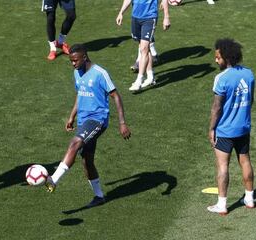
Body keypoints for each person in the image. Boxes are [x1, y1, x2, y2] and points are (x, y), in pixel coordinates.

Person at [45, 44, 131, 208]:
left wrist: (122, 123)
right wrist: (71, 116)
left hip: (98, 119)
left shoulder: (100, 73)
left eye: (75, 60)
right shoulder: (77, 73)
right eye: (71, 61)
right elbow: (80, 94)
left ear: (85, 57)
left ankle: (53, 180)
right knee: (87, 161)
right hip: (83, 120)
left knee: (74, 144)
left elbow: (116, 96)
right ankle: (99, 196)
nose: (73, 64)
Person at [207, 38, 255, 215]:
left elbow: (217, 107)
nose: (216, 60)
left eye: (218, 57)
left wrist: (212, 128)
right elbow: (251, 101)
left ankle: (222, 204)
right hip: (243, 128)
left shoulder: (221, 78)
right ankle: (249, 199)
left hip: (225, 130)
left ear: (226, 57)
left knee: (222, 166)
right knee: (245, 161)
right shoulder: (249, 74)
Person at [116, 0, 170, 91]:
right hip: (136, 18)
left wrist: (166, 17)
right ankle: (150, 76)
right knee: (145, 48)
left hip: (149, 18)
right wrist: (121, 12)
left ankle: (139, 80)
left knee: (144, 48)